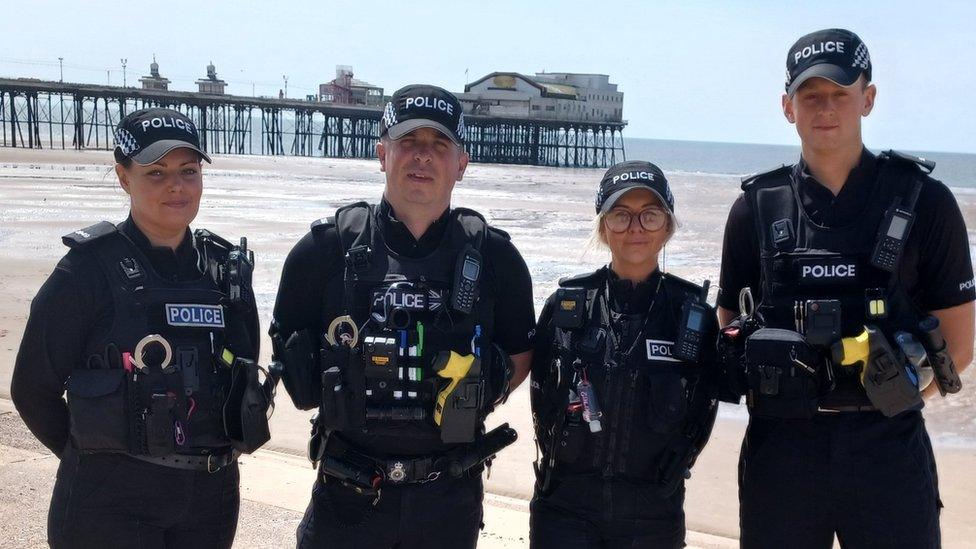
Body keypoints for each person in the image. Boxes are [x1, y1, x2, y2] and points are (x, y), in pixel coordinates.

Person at [717, 29, 975, 548]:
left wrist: (893, 394)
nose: (826, 108)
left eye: (840, 93)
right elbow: (732, 325)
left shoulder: (925, 200)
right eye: (810, 95)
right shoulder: (756, 207)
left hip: (888, 448)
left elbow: (960, 341)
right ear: (788, 107)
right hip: (781, 450)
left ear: (868, 98)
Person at [271, 84, 536, 549]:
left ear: (462, 163)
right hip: (346, 494)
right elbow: (290, 351)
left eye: (439, 145)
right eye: (408, 142)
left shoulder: (497, 259)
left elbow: (520, 355)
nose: (422, 156)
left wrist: (466, 400)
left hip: (447, 501)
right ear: (382, 153)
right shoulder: (325, 250)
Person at [10, 107, 271, 549]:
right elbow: (32, 389)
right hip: (109, 502)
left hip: (209, 500)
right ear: (123, 176)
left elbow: (243, 371)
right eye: (156, 172)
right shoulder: (87, 271)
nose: (177, 185)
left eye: (189, 171)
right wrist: (94, 456)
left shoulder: (224, 271)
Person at [530, 161, 719, 549]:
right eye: (621, 215)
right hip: (565, 509)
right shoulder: (567, 306)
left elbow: (706, 404)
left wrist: (679, 463)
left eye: (649, 215)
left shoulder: (691, 314)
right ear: (602, 226)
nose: (635, 228)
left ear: (667, 225)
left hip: (653, 513)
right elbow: (540, 396)